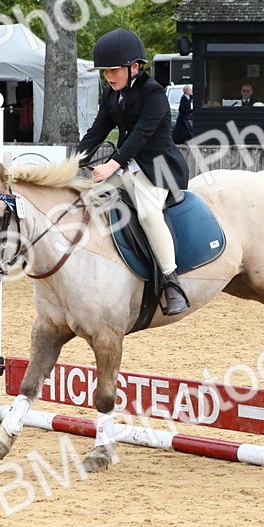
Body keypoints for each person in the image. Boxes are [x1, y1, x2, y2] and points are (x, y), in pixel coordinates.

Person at [78, 29, 191, 316]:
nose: (109, 77)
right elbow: (98, 129)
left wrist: (111, 165)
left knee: (148, 214)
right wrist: (75, 159)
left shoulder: (153, 93)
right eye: (105, 72)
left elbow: (140, 136)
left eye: (113, 71)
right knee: (88, 198)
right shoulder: (111, 93)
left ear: (135, 67)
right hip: (126, 166)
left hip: (158, 169)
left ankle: (171, 281)